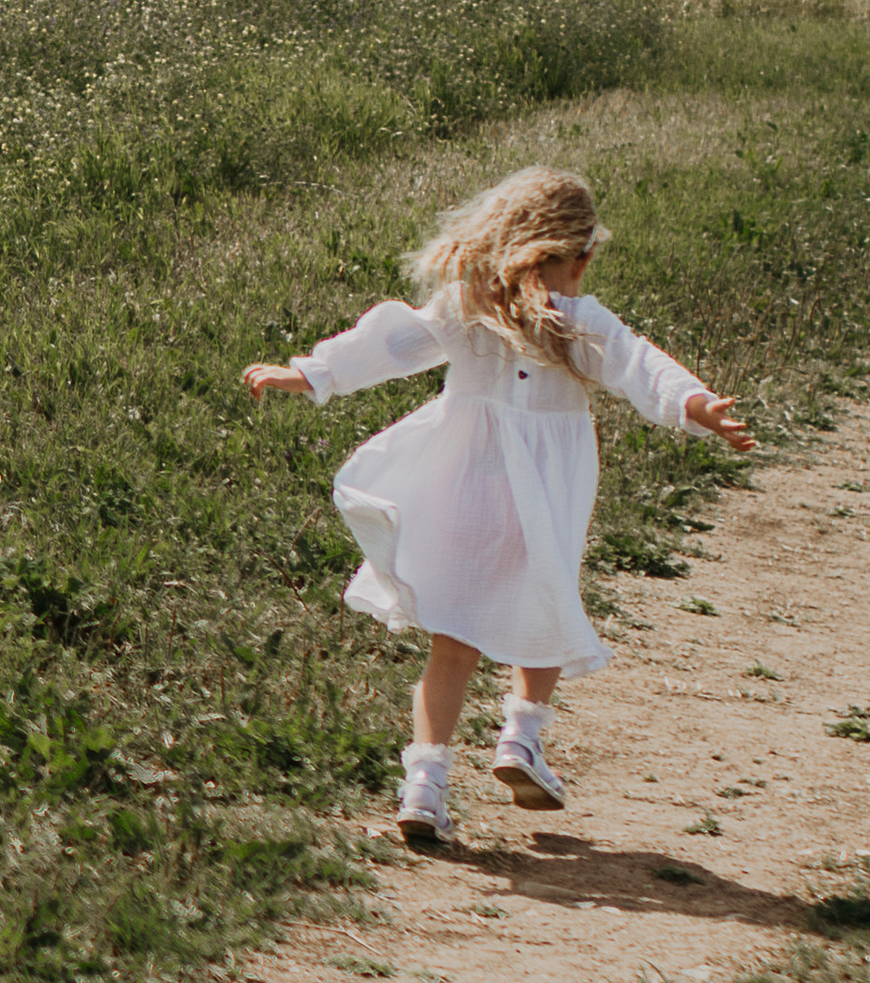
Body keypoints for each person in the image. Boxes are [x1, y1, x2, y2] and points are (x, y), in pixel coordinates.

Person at [243, 166, 754, 849]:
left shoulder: (466, 308)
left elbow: (394, 344)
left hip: (461, 491)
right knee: (542, 606)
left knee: (452, 644)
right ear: (582, 256)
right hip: (539, 495)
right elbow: (641, 367)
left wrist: (311, 372)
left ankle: (423, 785)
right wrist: (697, 404)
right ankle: (522, 736)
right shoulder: (578, 322)